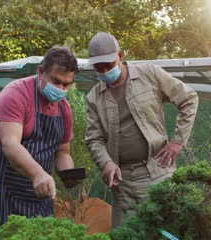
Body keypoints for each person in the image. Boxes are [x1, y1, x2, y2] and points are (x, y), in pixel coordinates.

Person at [85, 32, 199, 228]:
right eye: (98, 67)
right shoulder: (94, 98)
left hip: (158, 171)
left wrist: (178, 142)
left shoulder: (150, 74)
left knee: (167, 237)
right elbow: (94, 139)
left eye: (108, 65)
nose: (104, 71)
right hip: (122, 182)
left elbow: (189, 99)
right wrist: (106, 163)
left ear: (120, 57)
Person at [0, 47, 78, 224]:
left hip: (38, 192)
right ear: (41, 71)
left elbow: (62, 152)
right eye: (56, 82)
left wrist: (69, 175)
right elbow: (10, 144)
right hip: (0, 185)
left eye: (66, 84)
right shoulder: (15, 94)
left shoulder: (64, 108)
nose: (61, 89)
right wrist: (38, 174)